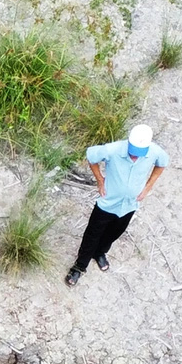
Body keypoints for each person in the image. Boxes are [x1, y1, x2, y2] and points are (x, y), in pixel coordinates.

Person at [66, 123, 169, 287]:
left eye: (139, 153)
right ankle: (80, 266)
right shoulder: (112, 150)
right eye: (133, 151)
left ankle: (100, 253)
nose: (135, 157)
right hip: (108, 203)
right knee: (92, 235)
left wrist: (148, 187)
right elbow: (91, 156)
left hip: (129, 205)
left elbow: (162, 163)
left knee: (115, 232)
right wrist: (100, 180)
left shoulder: (154, 151)